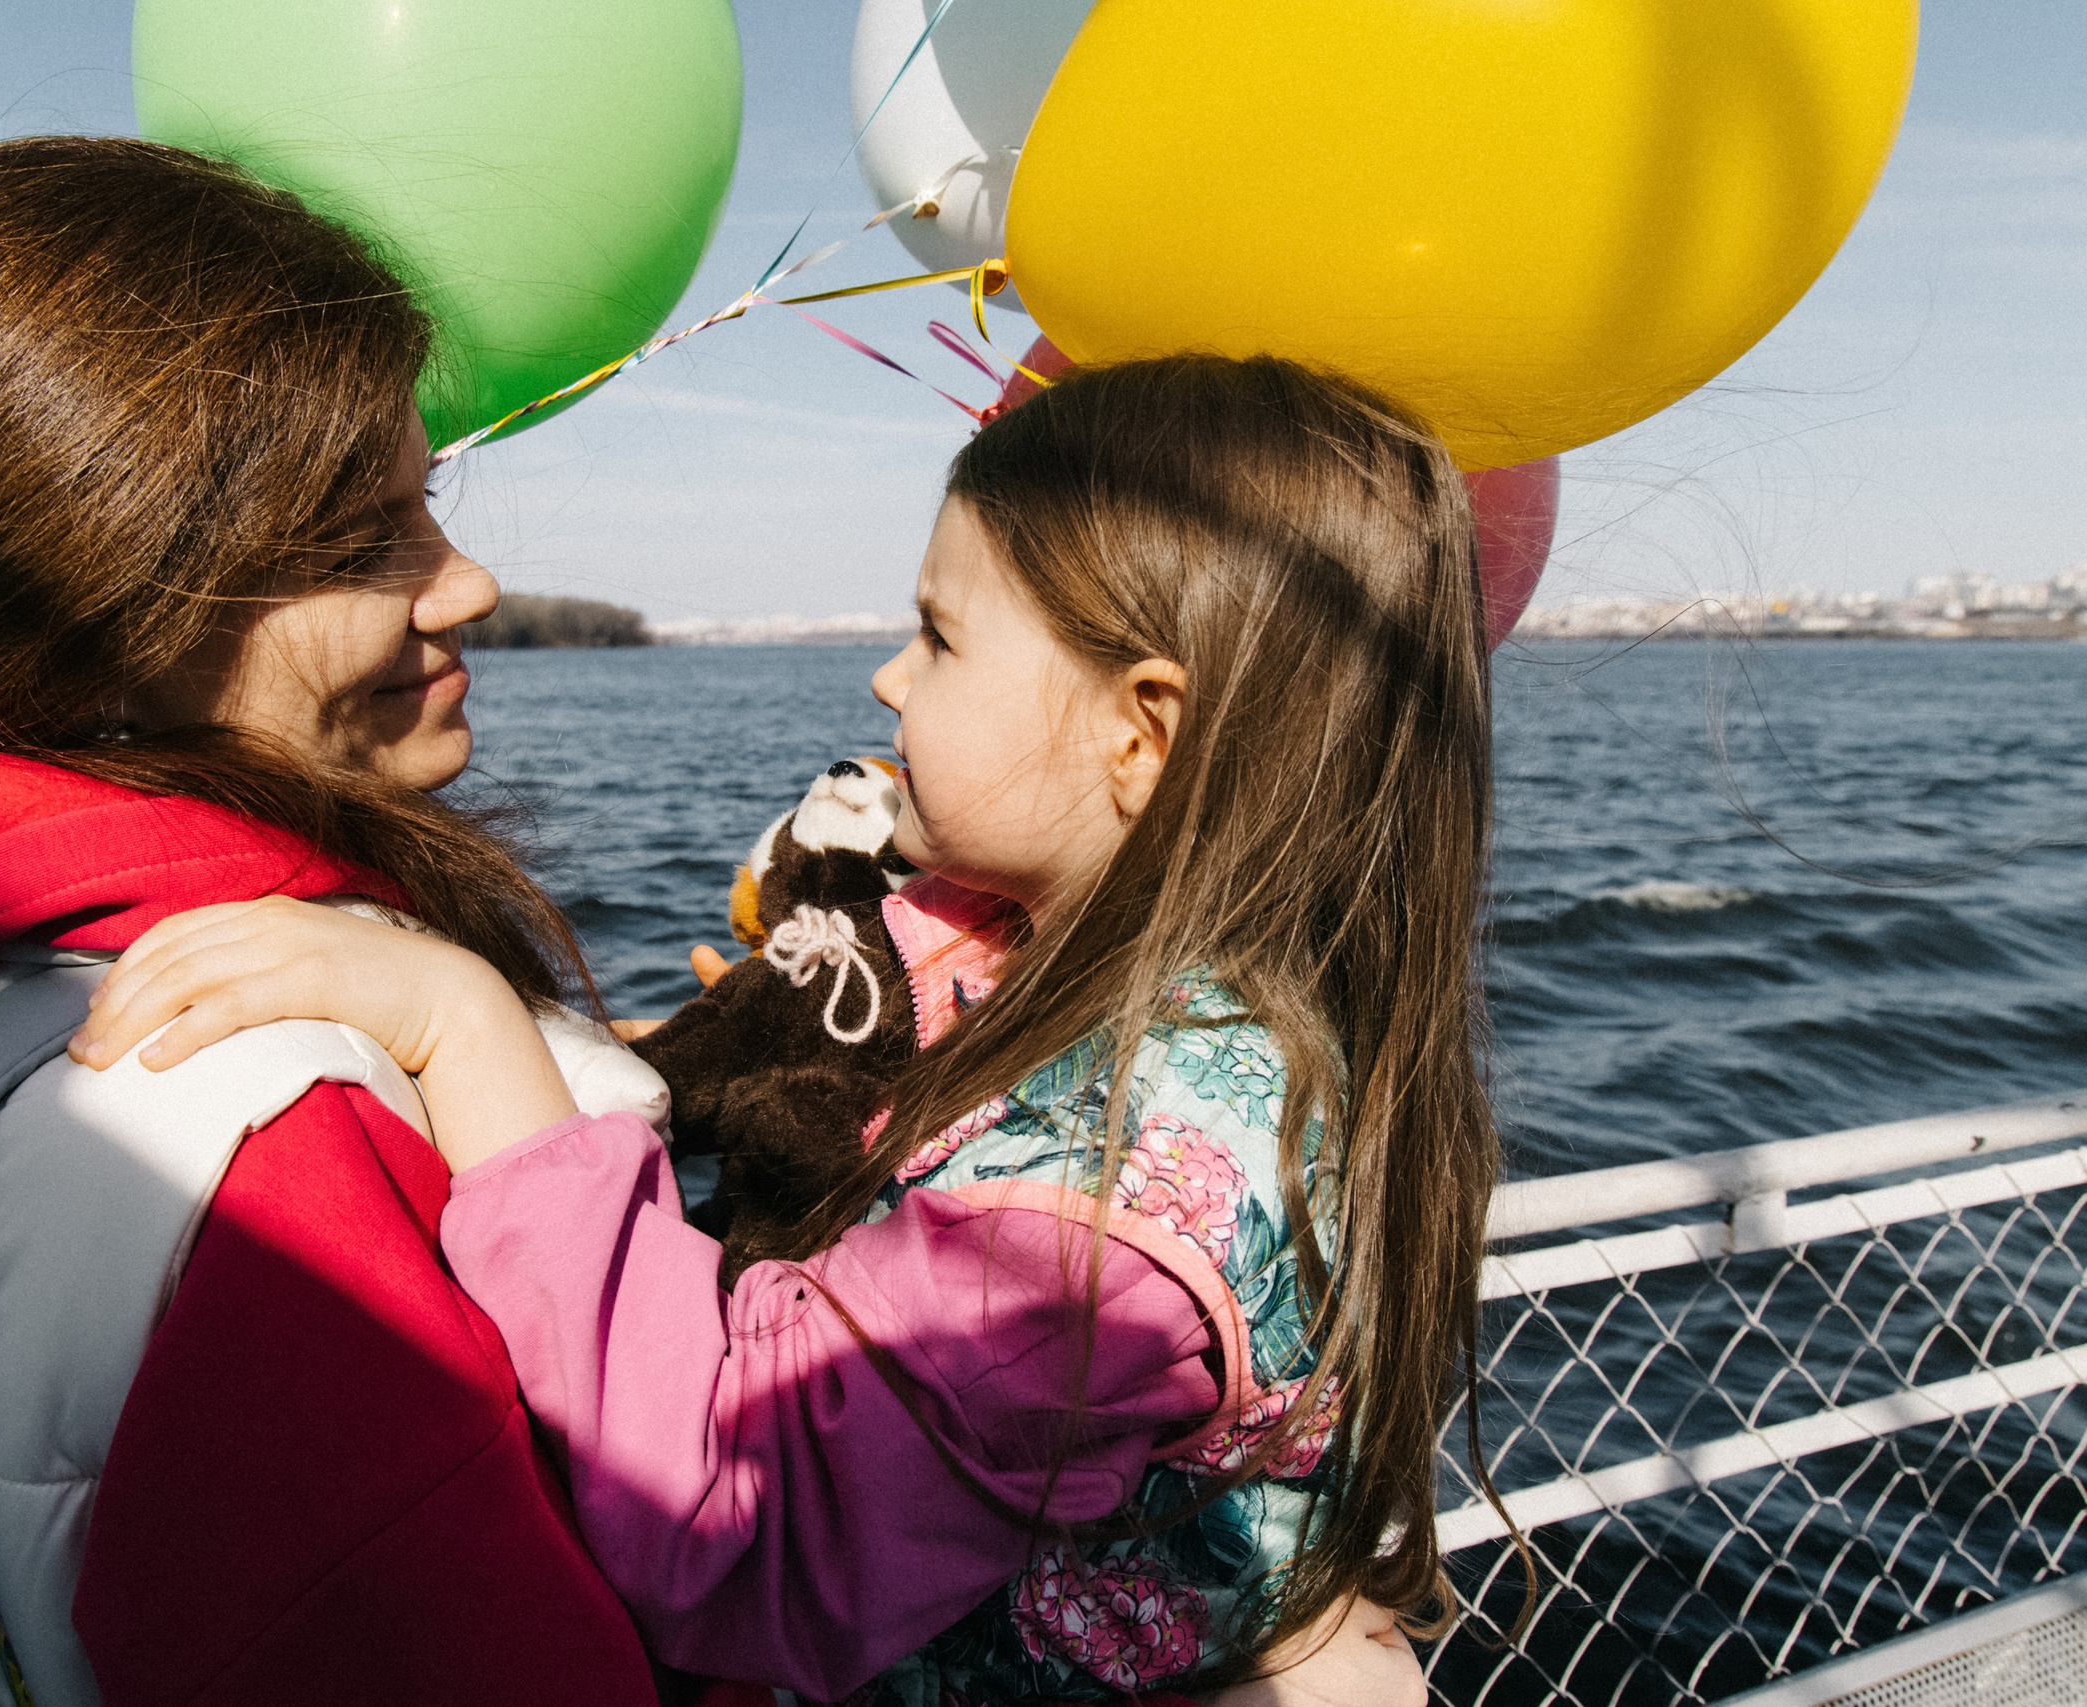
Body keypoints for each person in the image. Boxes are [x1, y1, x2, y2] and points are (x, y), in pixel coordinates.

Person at [72, 355, 1501, 1705]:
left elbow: (731, 1508)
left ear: (1143, 736)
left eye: (939, 634)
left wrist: (465, 1025)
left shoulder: (1100, 1224)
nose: (889, 678)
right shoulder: (1238, 1017)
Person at [0, 134, 703, 1707]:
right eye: (355, 542)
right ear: (92, 621)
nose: (465, 588)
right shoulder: (279, 1132)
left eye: (428, 498)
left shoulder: (61, 974)